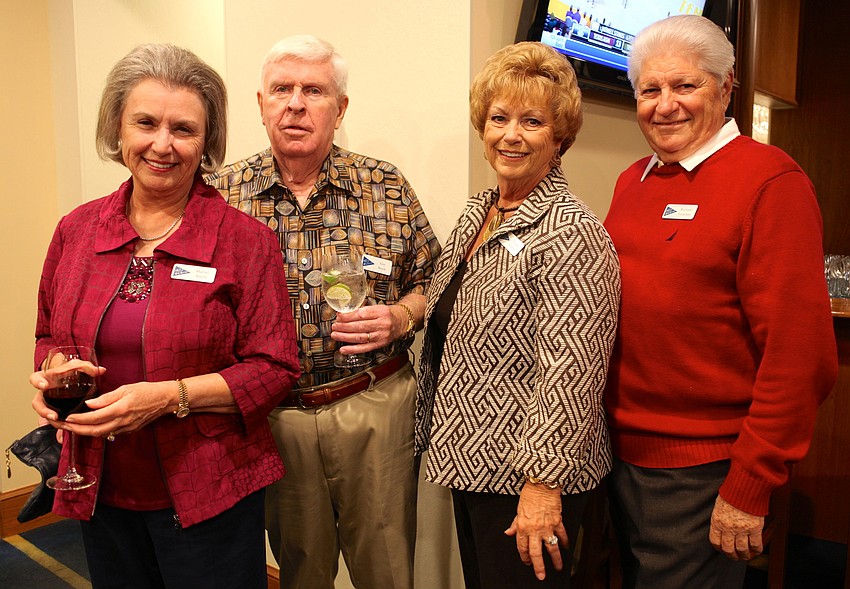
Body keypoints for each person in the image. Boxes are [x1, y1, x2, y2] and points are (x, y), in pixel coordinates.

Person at [29, 44, 300, 588]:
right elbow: (48, 334)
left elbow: (275, 368)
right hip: (99, 481)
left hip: (209, 488)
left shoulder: (245, 242)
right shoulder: (76, 230)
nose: (162, 144)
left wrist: (171, 396)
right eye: (145, 123)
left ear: (207, 141)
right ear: (118, 128)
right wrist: (51, 371)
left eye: (183, 129)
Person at [603, 15, 838, 588]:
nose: (665, 106)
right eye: (649, 90)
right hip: (616, 452)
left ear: (727, 87)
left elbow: (799, 355)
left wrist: (751, 480)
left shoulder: (770, 182)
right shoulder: (632, 180)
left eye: (685, 86)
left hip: (700, 470)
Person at [205, 35, 440, 589]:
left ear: (340, 108)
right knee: (300, 568)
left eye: (314, 90)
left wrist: (401, 317)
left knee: (386, 567)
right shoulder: (220, 196)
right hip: (274, 416)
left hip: (374, 402)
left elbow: (437, 280)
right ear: (260, 103)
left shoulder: (385, 186)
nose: (295, 103)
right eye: (282, 89)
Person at [415, 42, 620, 588]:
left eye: (532, 121)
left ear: (560, 137)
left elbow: (571, 372)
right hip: (472, 459)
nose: (511, 134)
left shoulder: (570, 231)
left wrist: (542, 485)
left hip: (528, 478)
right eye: (499, 118)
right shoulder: (479, 212)